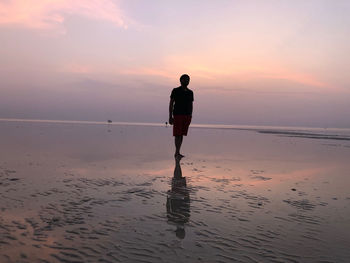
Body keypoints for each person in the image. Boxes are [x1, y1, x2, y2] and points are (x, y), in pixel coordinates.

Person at [169, 74, 194, 159]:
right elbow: (171, 103)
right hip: (177, 115)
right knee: (177, 134)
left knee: (182, 134)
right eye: (185, 79)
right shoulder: (175, 90)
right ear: (181, 80)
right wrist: (170, 116)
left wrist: (190, 116)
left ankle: (178, 152)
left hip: (186, 116)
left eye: (188, 80)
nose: (187, 81)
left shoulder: (190, 92)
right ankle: (176, 152)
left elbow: (191, 105)